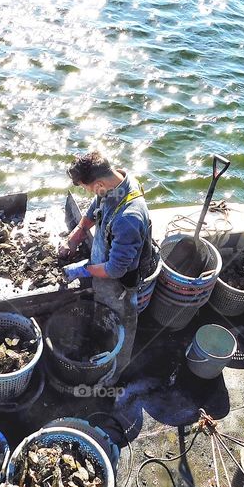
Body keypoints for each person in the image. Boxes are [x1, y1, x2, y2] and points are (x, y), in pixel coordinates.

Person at [59, 151, 154, 382]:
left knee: (121, 326)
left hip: (121, 283)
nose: (88, 192)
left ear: (99, 183)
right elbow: (93, 210)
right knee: (103, 316)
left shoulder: (129, 218)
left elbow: (115, 270)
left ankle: (115, 374)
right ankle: (101, 339)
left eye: (87, 188)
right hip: (104, 268)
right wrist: (74, 238)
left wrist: (84, 269)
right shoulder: (113, 184)